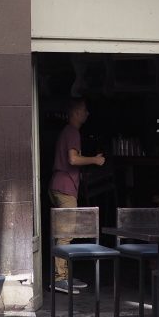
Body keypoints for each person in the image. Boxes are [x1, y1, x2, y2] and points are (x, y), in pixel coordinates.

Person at [49, 98, 105, 294]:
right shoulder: (72, 132)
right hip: (64, 187)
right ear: (75, 113)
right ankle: (60, 278)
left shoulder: (68, 132)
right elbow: (73, 159)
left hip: (60, 185)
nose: (87, 114)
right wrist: (95, 160)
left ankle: (63, 275)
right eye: (84, 110)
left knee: (64, 231)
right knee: (66, 233)